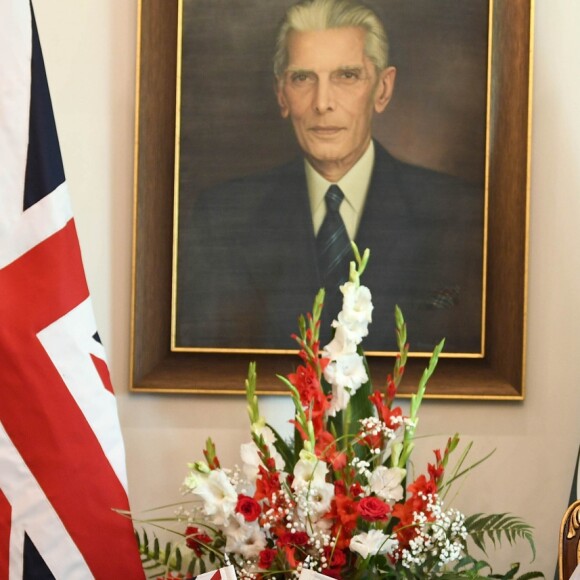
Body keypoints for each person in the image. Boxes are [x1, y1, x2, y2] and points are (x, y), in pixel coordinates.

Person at [175, 0, 484, 353]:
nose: (322, 102)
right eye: (303, 78)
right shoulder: (223, 217)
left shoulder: (456, 214)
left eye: (346, 76)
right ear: (281, 94)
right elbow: (210, 362)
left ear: (382, 90)